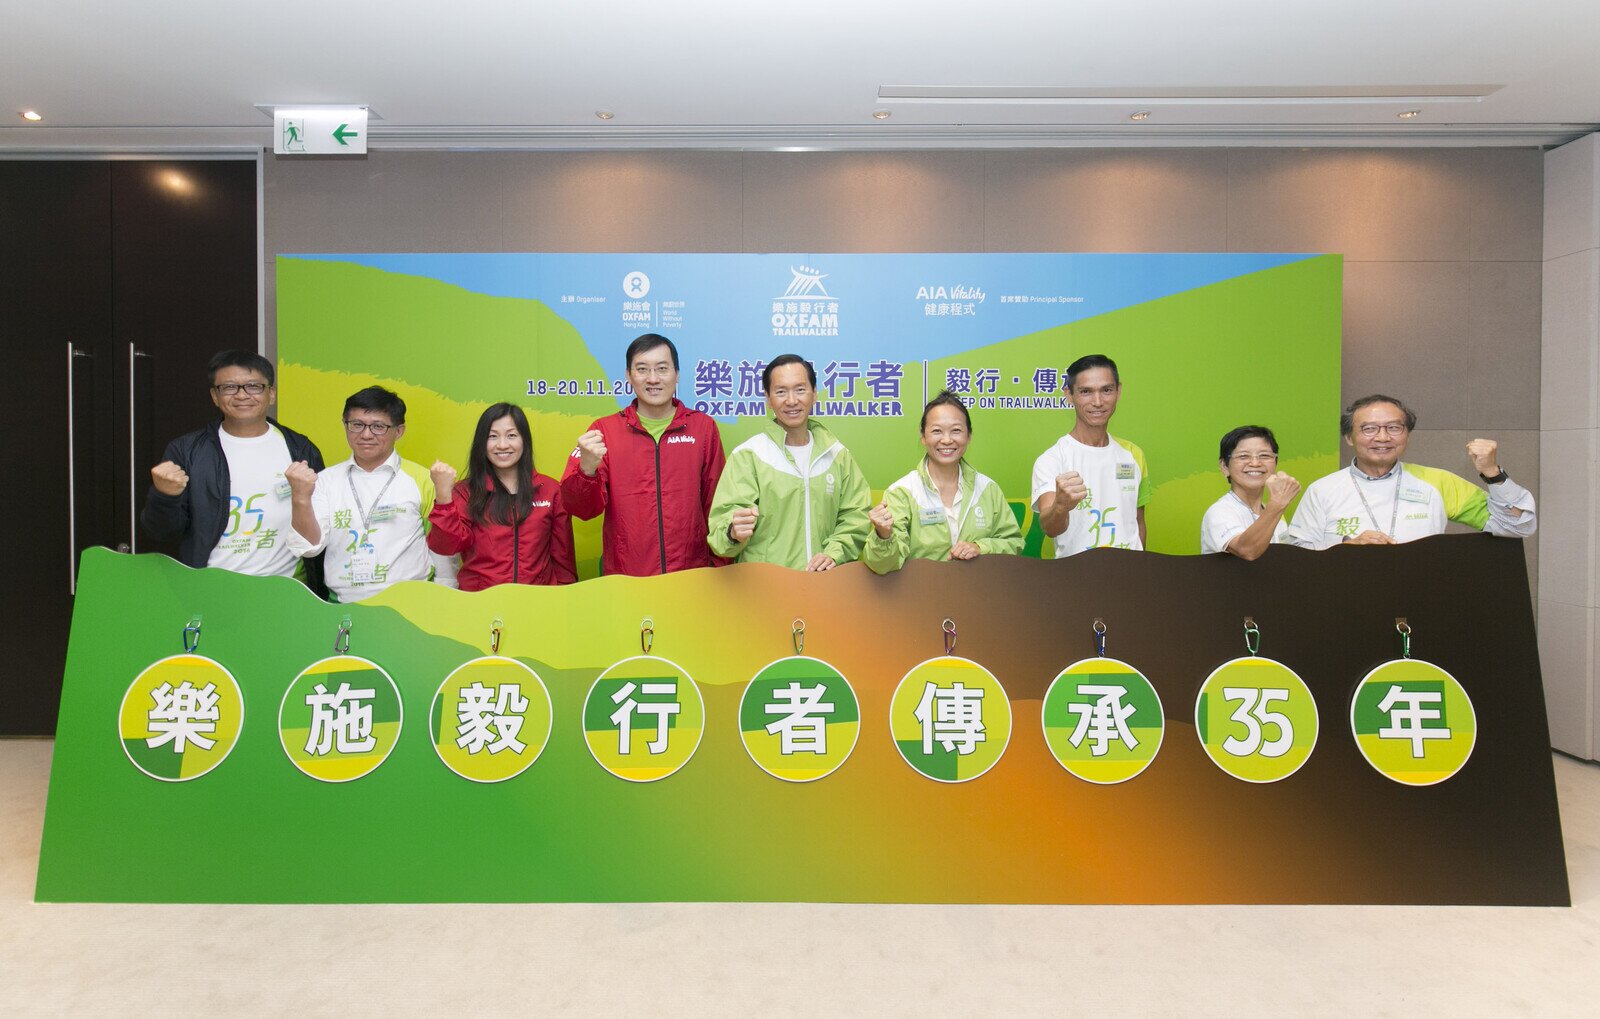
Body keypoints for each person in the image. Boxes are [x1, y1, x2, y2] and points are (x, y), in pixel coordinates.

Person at [140, 349, 326, 593]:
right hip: (212, 588)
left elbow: (323, 524)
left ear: (271, 394)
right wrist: (164, 496)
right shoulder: (187, 450)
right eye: (229, 387)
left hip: (287, 590)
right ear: (214, 396)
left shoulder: (300, 448)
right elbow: (162, 532)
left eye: (253, 386)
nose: (242, 395)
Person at [560, 333, 727, 575]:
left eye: (662, 368)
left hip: (691, 576)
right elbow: (583, 511)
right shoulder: (603, 431)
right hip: (627, 578)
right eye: (642, 369)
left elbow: (718, 505)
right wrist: (586, 470)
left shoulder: (703, 428)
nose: (653, 379)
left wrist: (717, 571)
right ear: (629, 376)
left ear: (677, 374)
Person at [1287, 394, 1536, 548]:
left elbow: (1518, 527)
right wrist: (1345, 545)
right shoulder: (1323, 489)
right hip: (1344, 601)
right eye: (1369, 429)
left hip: (1421, 598)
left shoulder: (1438, 481)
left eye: (1394, 428)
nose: (1382, 437)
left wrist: (1493, 473)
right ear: (1349, 438)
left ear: (1406, 434)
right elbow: (1296, 547)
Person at [284, 386, 458, 602]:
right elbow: (309, 548)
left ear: (399, 431)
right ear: (345, 425)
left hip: (411, 607)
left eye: (378, 426)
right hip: (343, 607)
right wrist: (300, 497)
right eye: (356, 425)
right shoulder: (326, 481)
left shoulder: (424, 480)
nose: (366, 434)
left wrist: (445, 599)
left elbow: (442, 551)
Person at [707, 354, 871, 571]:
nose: (792, 400)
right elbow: (722, 535)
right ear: (768, 398)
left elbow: (856, 516)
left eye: (800, 389)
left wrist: (834, 553)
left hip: (824, 587)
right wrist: (733, 532)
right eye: (781, 391)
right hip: (765, 590)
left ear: (814, 394)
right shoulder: (749, 455)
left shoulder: (837, 454)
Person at [863, 391, 1023, 573]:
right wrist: (884, 536)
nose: (947, 440)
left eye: (956, 430)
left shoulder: (987, 489)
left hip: (979, 596)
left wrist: (981, 547)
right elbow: (882, 566)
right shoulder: (903, 492)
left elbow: (1014, 544)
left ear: (969, 435)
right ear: (923, 436)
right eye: (936, 431)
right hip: (920, 597)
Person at [426, 403, 576, 589]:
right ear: (482, 443)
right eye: (492, 436)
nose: (502, 445)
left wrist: (564, 600)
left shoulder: (551, 490)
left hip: (538, 604)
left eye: (512, 435)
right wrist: (443, 499)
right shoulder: (465, 492)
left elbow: (563, 559)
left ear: (524, 440)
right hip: (481, 605)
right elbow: (446, 546)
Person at [1031, 354, 1150, 556]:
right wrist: (1061, 506)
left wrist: (1139, 571)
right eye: (1086, 392)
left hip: (1127, 578)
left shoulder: (1133, 454)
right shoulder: (1052, 460)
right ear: (1069, 395)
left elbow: (1137, 521)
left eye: (1106, 390)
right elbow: (1050, 529)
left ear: (1118, 391)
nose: (1097, 402)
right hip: (1075, 579)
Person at [1200, 426, 1300, 560]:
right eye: (1243, 456)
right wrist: (1278, 503)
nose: (1255, 463)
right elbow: (1247, 551)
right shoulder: (1219, 511)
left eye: (1264, 456)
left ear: (1275, 463)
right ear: (1224, 467)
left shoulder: (1272, 511)